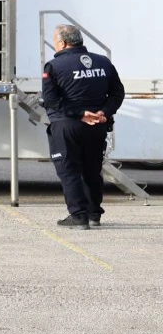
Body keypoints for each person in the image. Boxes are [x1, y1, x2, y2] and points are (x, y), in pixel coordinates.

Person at [42, 25, 124, 230]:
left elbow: (51, 100)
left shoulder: (54, 66)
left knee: (69, 170)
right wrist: (103, 112)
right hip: (97, 125)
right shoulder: (103, 62)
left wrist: (80, 114)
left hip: (67, 125)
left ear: (62, 43)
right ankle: (94, 213)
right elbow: (117, 93)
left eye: (54, 40)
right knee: (92, 170)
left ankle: (78, 216)